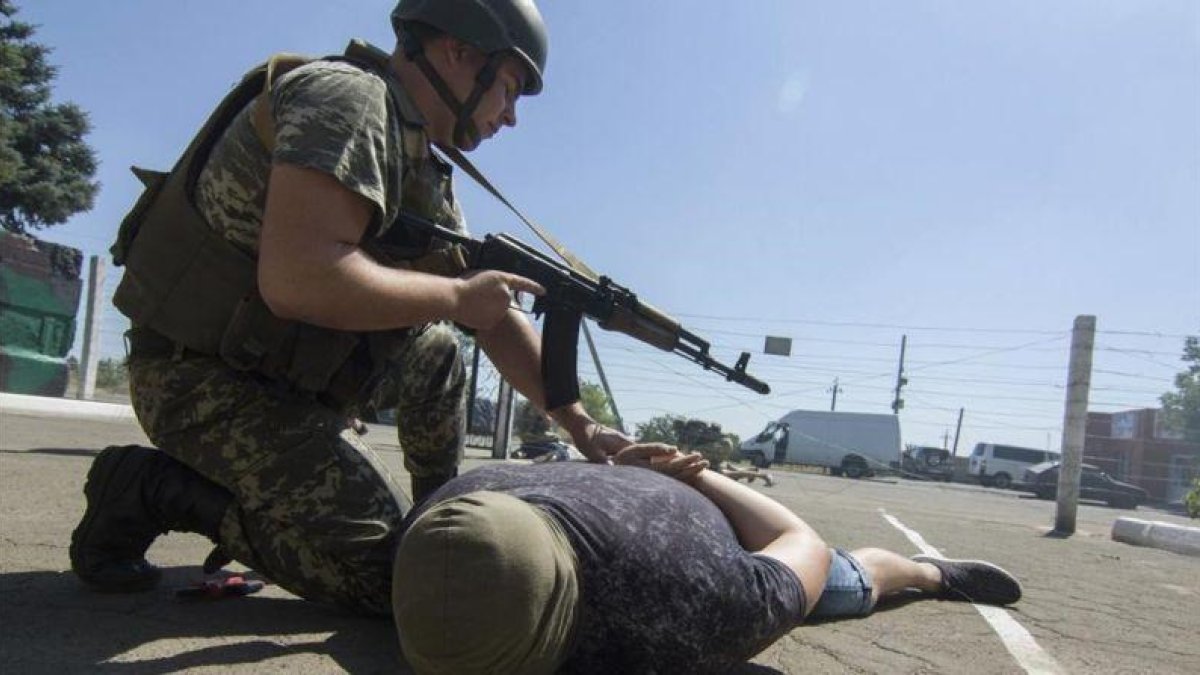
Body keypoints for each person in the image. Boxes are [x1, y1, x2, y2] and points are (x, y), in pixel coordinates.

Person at [70, 0, 630, 615]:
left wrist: (580, 425)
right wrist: (457, 297)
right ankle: (155, 488)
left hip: (278, 371)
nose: (512, 116)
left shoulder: (413, 154)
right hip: (200, 379)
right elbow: (300, 279)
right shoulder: (348, 102)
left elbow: (490, 313)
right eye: (510, 87)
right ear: (459, 52)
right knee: (391, 586)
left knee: (437, 351)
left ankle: (438, 524)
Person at [392, 446, 1023, 674]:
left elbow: (797, 540)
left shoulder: (683, 605)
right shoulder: (439, 522)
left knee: (840, 581)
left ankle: (927, 572)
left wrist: (705, 482)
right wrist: (621, 470)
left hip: (702, 525)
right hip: (593, 487)